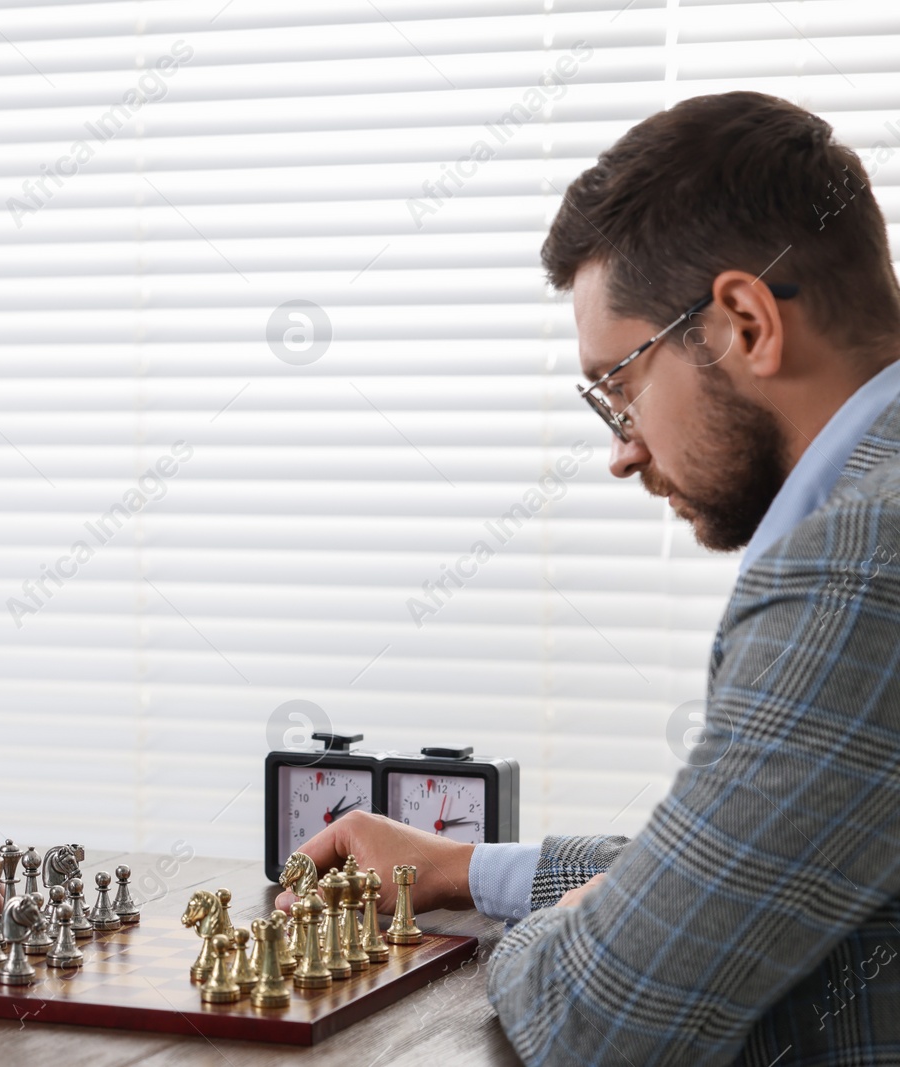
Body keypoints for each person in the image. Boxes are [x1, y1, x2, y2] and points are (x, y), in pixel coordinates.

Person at [289, 91, 900, 1064]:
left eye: (619, 384)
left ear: (744, 322)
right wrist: (464, 868)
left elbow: (598, 1018)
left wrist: (564, 929)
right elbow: (754, 864)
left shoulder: (859, 558)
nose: (621, 451)